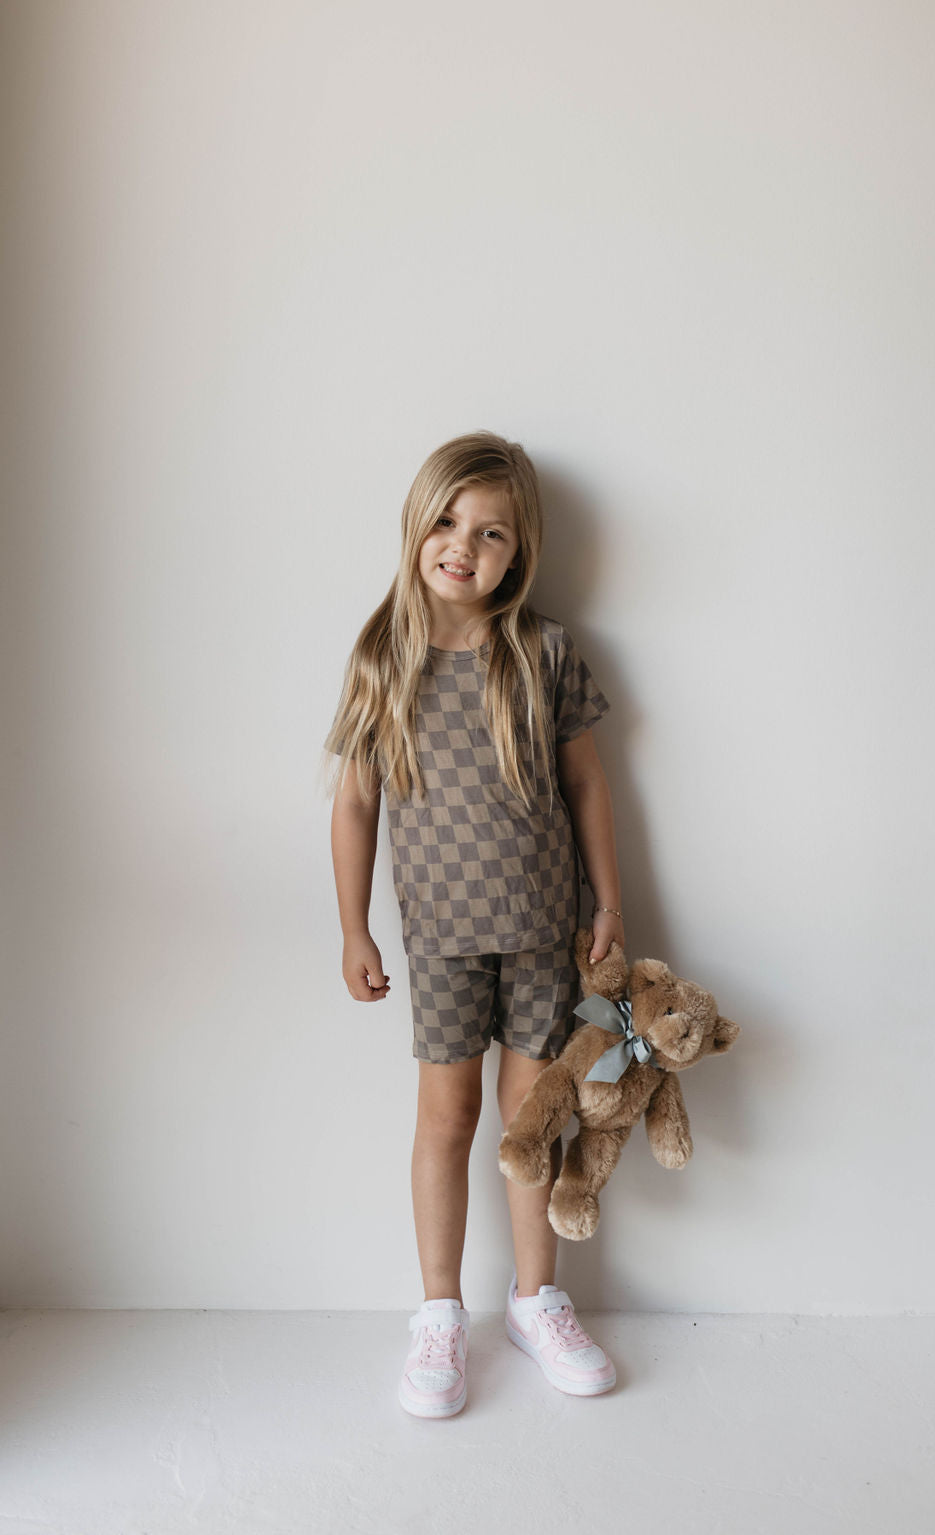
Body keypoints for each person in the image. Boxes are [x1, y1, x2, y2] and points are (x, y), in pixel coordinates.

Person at [322, 430, 625, 1418]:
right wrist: (352, 927)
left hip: (543, 930)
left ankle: (537, 1298)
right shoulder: (383, 657)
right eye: (448, 521)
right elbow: (356, 802)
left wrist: (608, 902)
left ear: (519, 549)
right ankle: (439, 1312)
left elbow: (586, 782)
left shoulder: (544, 652)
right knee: (447, 1120)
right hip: (441, 938)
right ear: (418, 525)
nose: (464, 545)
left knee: (533, 1120)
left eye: (491, 531)